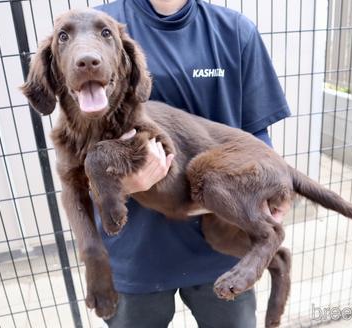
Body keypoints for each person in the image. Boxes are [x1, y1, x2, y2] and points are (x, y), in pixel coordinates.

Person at [94, 1, 291, 327]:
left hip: (225, 245)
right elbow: (81, 141)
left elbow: (255, 130)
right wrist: (119, 185)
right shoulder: (101, 28)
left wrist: (266, 194)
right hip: (136, 249)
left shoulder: (235, 31)